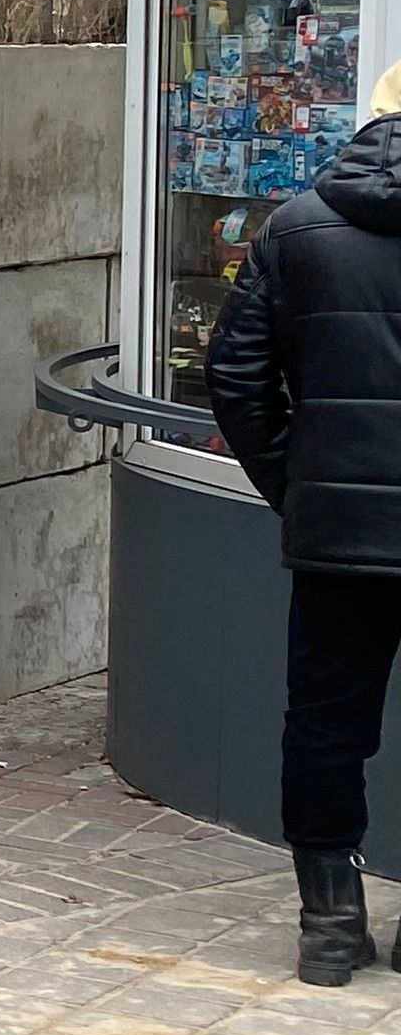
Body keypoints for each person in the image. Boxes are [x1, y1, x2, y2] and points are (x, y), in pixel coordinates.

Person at [207, 75, 401, 985]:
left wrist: (298, 485)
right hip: (337, 525)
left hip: (339, 538)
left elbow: (237, 378)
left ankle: (329, 925)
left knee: (326, 726)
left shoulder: (293, 228)